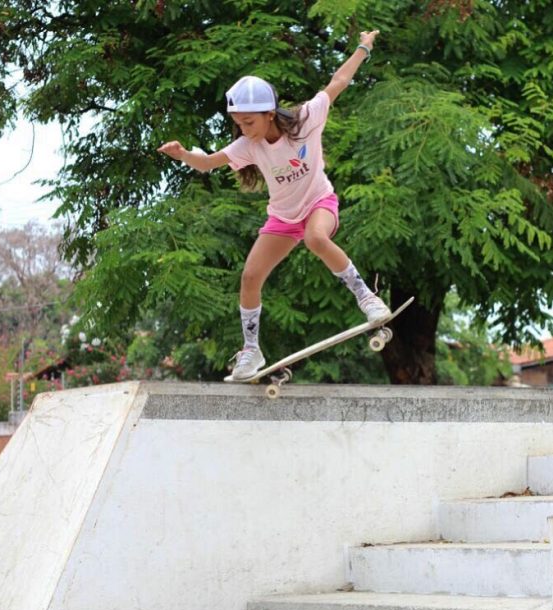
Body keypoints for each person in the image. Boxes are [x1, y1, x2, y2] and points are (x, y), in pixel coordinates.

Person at [158, 30, 390, 379]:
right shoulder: (248, 146)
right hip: (282, 218)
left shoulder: (305, 120)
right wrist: (183, 154)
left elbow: (338, 81)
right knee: (250, 276)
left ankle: (367, 298)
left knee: (316, 238)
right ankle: (251, 351)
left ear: (269, 113)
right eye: (237, 123)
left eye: (248, 122)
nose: (243, 129)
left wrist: (363, 47)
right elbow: (208, 163)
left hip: (319, 202)